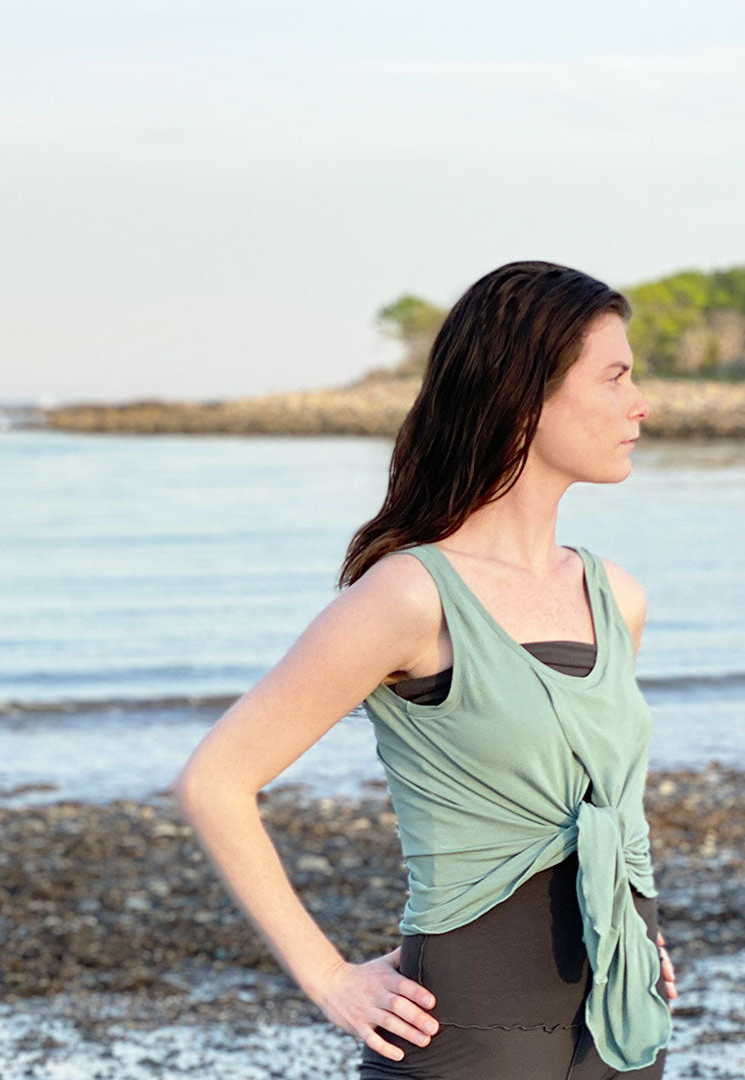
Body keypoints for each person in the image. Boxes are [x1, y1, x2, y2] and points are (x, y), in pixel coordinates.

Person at [173, 260, 679, 1079]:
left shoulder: (616, 598)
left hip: (621, 1038)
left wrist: (638, 934)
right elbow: (215, 780)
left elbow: (607, 810)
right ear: (525, 393)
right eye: (615, 376)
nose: (641, 403)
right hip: (466, 1046)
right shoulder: (410, 597)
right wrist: (330, 979)